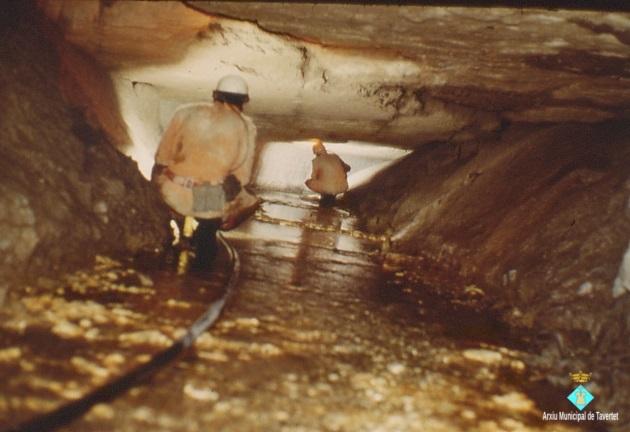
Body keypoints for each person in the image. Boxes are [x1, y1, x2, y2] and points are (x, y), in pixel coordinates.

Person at [152, 74, 259, 264]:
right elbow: (242, 176)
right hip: (207, 194)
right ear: (243, 101)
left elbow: (162, 156)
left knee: (169, 187)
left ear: (215, 95)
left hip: (172, 191)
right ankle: (203, 244)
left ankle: (178, 230)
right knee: (246, 201)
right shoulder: (245, 126)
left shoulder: (184, 112)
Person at [304, 139, 351, 207]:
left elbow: (313, 177)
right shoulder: (335, 156)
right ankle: (332, 196)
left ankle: (324, 196)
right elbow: (348, 168)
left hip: (327, 188)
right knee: (325, 179)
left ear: (315, 152)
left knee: (308, 182)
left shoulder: (316, 161)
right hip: (342, 187)